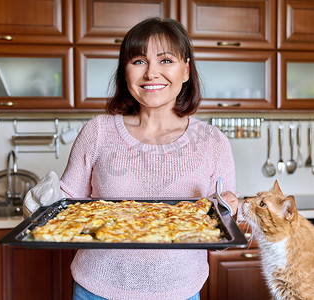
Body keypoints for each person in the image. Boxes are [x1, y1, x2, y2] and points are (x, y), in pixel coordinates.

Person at [24, 17, 239, 300]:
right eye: (139, 61)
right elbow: (64, 207)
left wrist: (228, 212)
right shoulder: (98, 131)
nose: (151, 73)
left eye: (165, 60)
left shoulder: (213, 142)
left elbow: (220, 235)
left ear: (186, 70)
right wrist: (39, 201)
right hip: (96, 289)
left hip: (180, 291)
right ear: (125, 72)